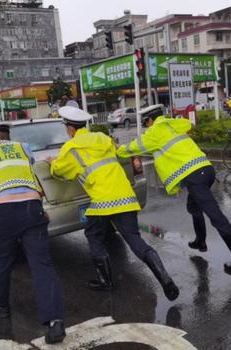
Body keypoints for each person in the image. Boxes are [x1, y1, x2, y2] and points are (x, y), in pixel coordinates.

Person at [46, 106, 180, 301]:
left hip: (102, 200)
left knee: (93, 235)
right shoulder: (103, 138)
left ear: (70, 129)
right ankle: (165, 278)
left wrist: (52, 162)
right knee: (134, 240)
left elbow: (59, 172)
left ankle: (105, 281)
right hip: (125, 195)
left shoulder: (71, 147)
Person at [117, 112, 231, 274]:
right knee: (193, 206)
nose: (147, 126)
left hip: (195, 177)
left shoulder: (155, 133)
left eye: (146, 123)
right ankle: (200, 241)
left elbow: (133, 147)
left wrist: (117, 150)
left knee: (216, 217)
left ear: (151, 120)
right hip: (206, 170)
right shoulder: (174, 127)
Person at [0, 124, 66, 344]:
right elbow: (30, 170)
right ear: (8, 137)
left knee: (2, 261)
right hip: (32, 209)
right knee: (42, 265)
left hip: (5, 212)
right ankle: (55, 323)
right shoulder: (23, 148)